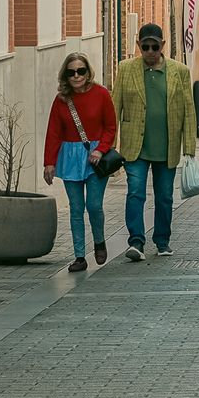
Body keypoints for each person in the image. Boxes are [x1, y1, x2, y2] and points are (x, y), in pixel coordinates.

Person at [110, 23, 197, 261]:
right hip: (135, 147)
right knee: (136, 193)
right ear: (138, 45)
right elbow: (114, 107)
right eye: (145, 46)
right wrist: (108, 144)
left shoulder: (179, 71)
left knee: (165, 196)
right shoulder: (126, 69)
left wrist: (189, 147)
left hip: (166, 147)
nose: (150, 51)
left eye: (154, 47)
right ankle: (136, 241)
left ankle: (162, 241)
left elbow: (189, 111)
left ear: (163, 46)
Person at [43, 52, 117, 273]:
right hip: (70, 157)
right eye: (71, 72)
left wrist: (101, 150)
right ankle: (79, 256)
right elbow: (53, 132)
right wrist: (49, 162)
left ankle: (100, 242)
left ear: (88, 72)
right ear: (65, 75)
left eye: (80, 71)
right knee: (76, 208)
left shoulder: (101, 94)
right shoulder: (61, 100)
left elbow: (110, 127)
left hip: (95, 158)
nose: (76, 76)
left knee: (94, 205)